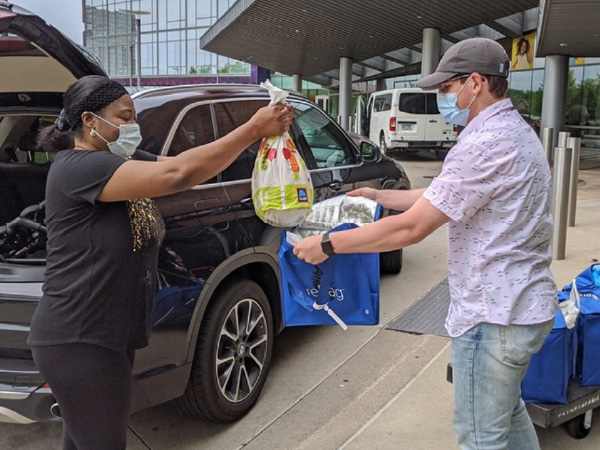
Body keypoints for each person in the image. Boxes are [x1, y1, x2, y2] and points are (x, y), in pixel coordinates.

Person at [293, 37, 557, 450]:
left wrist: (327, 245)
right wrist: (381, 197)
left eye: (447, 89)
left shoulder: (483, 143)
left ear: (475, 83)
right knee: (507, 417)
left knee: (480, 438)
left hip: (493, 318)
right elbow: (447, 197)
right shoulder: (513, 131)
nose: (442, 99)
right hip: (521, 306)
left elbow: (410, 230)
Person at [27, 75, 293, 450]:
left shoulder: (120, 158)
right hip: (79, 337)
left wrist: (264, 142)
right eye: (123, 117)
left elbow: (187, 166)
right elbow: (177, 175)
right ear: (89, 120)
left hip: (109, 334)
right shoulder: (79, 167)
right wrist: (251, 129)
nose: (132, 126)